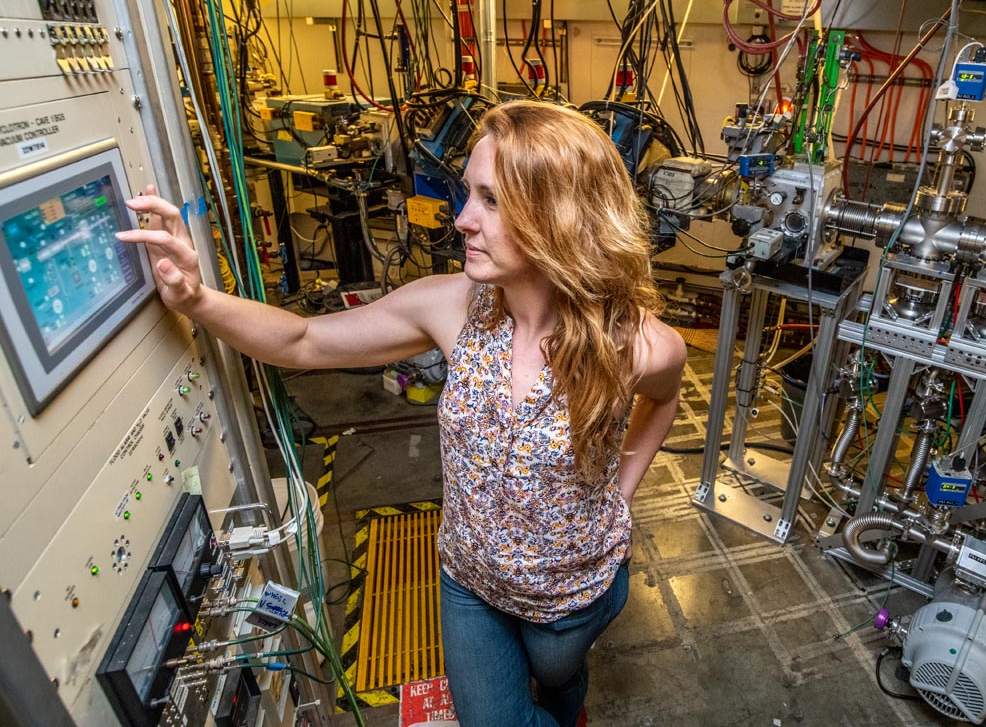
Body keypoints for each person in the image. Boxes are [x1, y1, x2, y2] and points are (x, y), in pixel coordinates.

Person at [117, 100, 687, 727]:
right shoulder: (453, 306)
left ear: (561, 216)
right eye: (469, 193)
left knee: (559, 683)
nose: (463, 218)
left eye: (492, 200)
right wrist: (197, 299)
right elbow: (303, 341)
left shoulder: (635, 344)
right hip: (470, 582)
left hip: (573, 591)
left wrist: (621, 492)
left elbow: (664, 399)